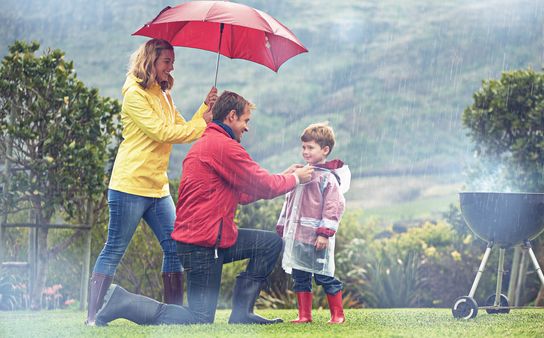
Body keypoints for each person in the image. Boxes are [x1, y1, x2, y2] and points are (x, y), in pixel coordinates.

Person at [93, 91, 314, 326]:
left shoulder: (211, 144)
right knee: (199, 319)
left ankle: (242, 314)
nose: (246, 127)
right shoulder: (222, 147)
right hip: (201, 246)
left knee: (269, 243)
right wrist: (296, 179)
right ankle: (122, 301)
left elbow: (244, 193)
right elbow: (265, 185)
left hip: (215, 239)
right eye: (245, 120)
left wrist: (284, 177)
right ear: (231, 116)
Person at [86, 38, 219, 325]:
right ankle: (92, 316)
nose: (172, 66)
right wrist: (204, 122)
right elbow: (162, 132)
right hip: (130, 186)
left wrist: (204, 109)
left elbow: (181, 127)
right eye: (166, 61)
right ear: (150, 62)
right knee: (114, 248)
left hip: (158, 188)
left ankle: (175, 317)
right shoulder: (134, 94)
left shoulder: (163, 93)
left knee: (175, 247)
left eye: (172, 61)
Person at [276, 122, 350, 324]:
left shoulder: (327, 178)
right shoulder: (301, 174)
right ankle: (304, 315)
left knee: (324, 276)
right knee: (300, 276)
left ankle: (338, 315)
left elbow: (333, 206)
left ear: (325, 150)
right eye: (303, 147)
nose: (305, 152)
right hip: (297, 237)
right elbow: (289, 201)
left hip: (316, 239)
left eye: (311, 147)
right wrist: (283, 225)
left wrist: (324, 233)